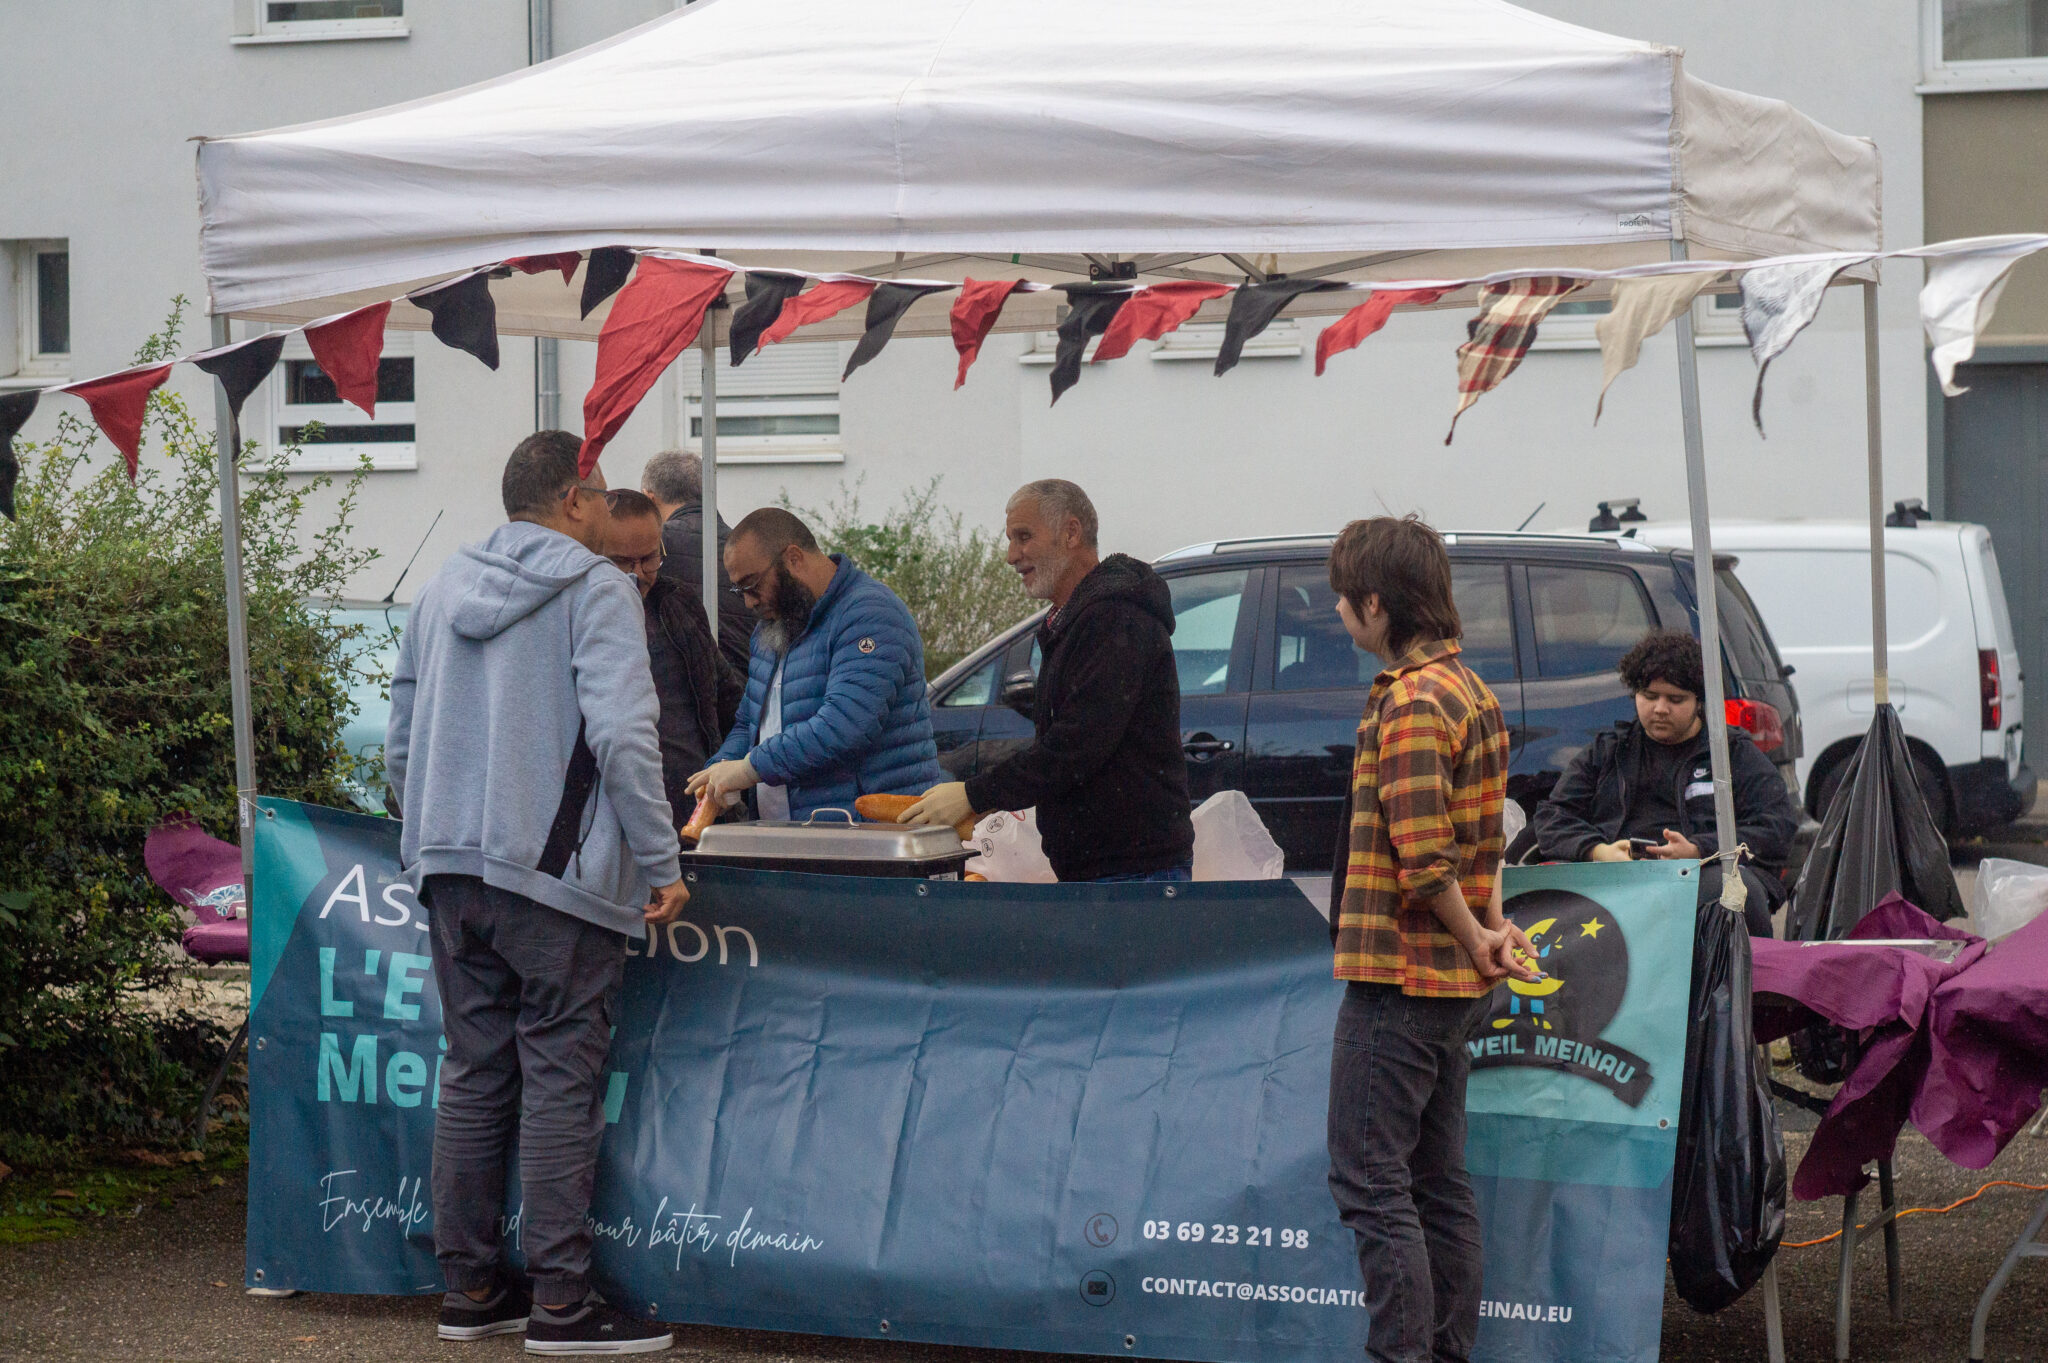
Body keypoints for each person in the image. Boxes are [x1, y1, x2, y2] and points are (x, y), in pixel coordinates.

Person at [385, 430, 687, 1355]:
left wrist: (425, 839)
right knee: (560, 1081)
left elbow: (399, 740)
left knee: (474, 1073)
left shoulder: (439, 591)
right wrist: (663, 864)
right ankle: (562, 1303)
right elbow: (628, 740)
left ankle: (471, 1287)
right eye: (598, 499)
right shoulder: (597, 588)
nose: (605, 514)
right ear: (574, 501)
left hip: (449, 870)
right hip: (553, 881)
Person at [1321, 515, 1537, 1363]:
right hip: (1446, 987)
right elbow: (1480, 844)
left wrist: (1478, 934)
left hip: (1398, 980)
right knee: (1436, 1185)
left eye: (1344, 598)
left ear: (1376, 602)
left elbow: (1425, 858)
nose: (1339, 614)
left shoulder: (1411, 701)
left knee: (1371, 1184)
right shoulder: (1471, 690)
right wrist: (1486, 930)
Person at [899, 479, 1195, 881]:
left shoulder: (1115, 620)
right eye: (1010, 540)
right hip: (1105, 867)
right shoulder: (1078, 620)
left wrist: (973, 794)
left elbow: (1078, 744)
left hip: (1130, 872)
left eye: (1023, 537)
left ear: (1070, 533)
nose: (1011, 556)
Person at [1530, 629, 1799, 938]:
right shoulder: (1608, 751)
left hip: (1704, 878)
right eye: (1649, 696)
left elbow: (1777, 826)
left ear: (1699, 701)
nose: (1659, 708)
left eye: (1675, 699)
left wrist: (1700, 851)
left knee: (1733, 890)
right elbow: (1552, 818)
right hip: (1619, 881)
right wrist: (1598, 851)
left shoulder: (1731, 754)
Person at [687, 507, 942, 819]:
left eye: (752, 584)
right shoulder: (774, 626)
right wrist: (720, 769)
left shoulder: (870, 614)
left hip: (866, 835)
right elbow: (750, 722)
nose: (748, 601)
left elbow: (845, 725)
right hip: (794, 835)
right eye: (738, 589)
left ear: (793, 558)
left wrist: (748, 768)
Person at [602, 489, 744, 821]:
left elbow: (726, 695)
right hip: (624, 817)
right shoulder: (580, 619)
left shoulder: (678, 602)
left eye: (649, 558)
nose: (637, 574)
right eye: (622, 562)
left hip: (698, 808)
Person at [641, 449, 754, 676]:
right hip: (748, 698)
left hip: (686, 698)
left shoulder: (649, 549)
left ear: (649, 499)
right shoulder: (746, 548)